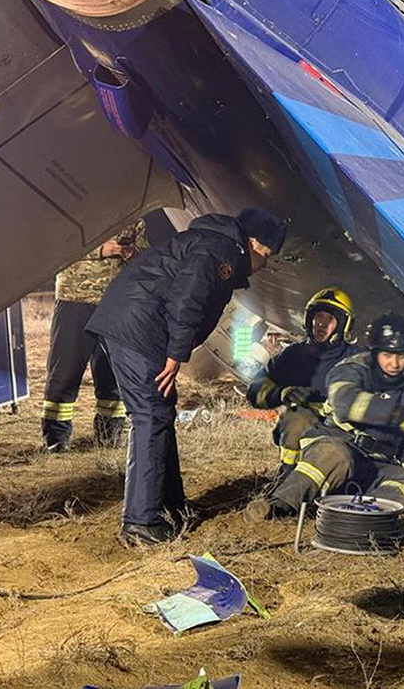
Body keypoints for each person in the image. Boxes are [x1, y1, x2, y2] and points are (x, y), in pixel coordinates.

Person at [86, 208, 286, 546]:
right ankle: (140, 523)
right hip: (138, 330)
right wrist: (177, 354)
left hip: (137, 325)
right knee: (149, 416)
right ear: (252, 243)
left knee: (161, 412)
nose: (266, 264)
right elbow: (187, 299)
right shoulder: (218, 251)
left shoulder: (212, 244)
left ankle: (171, 508)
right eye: (267, 254)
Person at [253, 313, 404, 520]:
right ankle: (278, 506)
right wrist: (395, 414)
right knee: (334, 455)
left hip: (380, 462)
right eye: (387, 355)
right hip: (340, 443)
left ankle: (364, 519)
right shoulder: (352, 369)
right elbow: (344, 403)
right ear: (374, 353)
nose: (394, 363)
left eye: (401, 356)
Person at [42, 220, 147, 452]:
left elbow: (145, 250)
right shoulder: (79, 210)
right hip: (74, 299)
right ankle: (56, 438)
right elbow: (57, 244)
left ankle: (110, 434)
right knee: (65, 370)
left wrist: (134, 252)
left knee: (111, 372)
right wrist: (101, 250)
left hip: (115, 302)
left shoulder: (134, 213)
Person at [245, 288, 359, 482]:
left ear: (343, 325)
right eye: (318, 317)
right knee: (297, 418)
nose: (321, 324)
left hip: (345, 434)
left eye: (330, 319)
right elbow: (255, 390)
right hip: (302, 429)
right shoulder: (292, 355)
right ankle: (287, 475)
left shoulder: (357, 359)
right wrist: (282, 393)